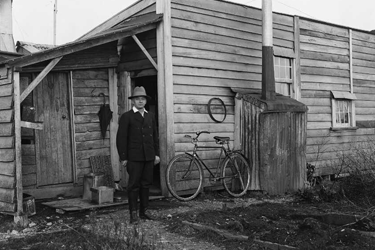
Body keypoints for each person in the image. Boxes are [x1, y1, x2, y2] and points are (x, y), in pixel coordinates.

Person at [116, 86, 159, 224]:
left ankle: (144, 211)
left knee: (146, 184)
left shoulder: (150, 116)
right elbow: (121, 138)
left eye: (142, 99)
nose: (140, 101)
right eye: (137, 99)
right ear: (133, 101)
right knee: (134, 185)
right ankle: (133, 214)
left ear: (145, 101)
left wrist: (156, 154)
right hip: (134, 157)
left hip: (149, 157)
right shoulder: (127, 117)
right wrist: (123, 157)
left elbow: (155, 137)